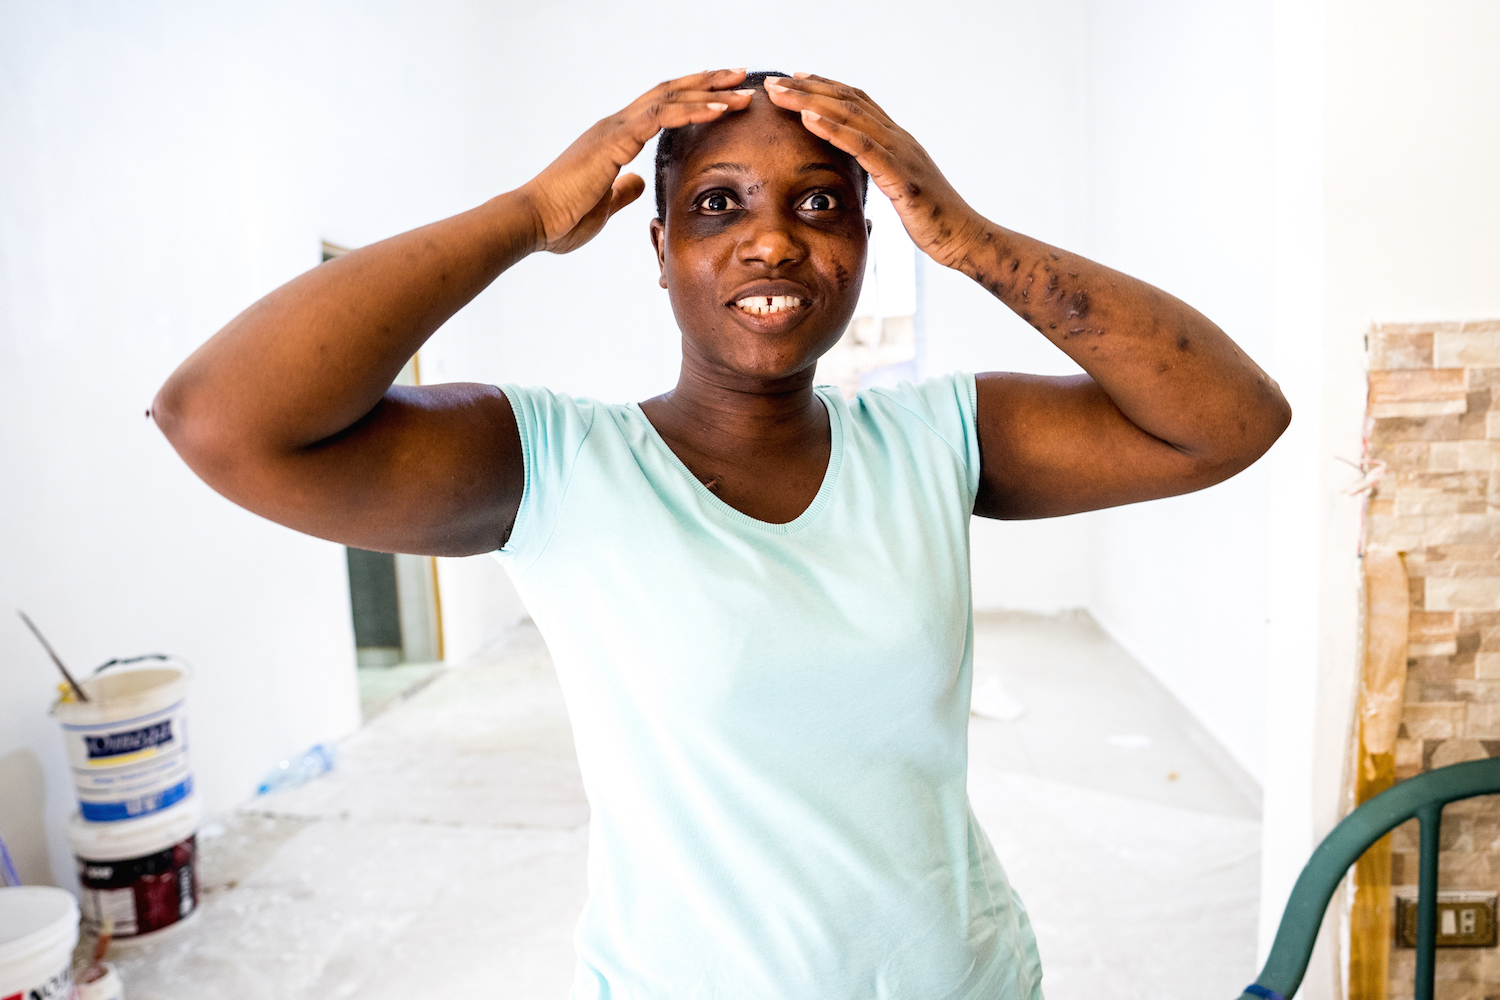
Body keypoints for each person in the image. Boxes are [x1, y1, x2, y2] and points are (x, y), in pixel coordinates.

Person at [153, 68, 1290, 999]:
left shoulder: (942, 438)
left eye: (817, 203)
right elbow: (220, 419)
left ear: (865, 238)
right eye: (718, 205)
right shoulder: (554, 467)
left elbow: (1232, 420)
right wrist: (531, 215)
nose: (772, 243)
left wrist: (975, 240)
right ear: (657, 251)